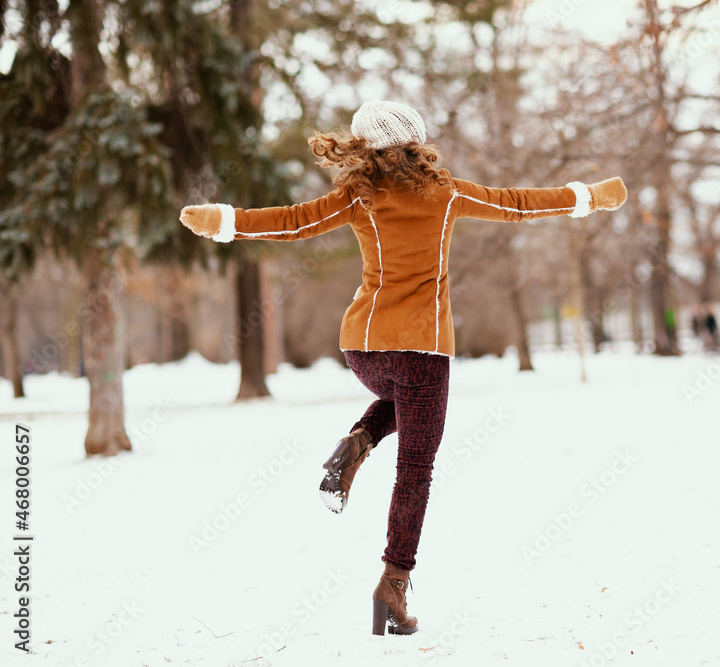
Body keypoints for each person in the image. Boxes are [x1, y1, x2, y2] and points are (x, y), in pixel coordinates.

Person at [177, 100, 628, 636]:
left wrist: (225, 220)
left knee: (398, 401)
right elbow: (517, 204)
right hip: (424, 349)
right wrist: (589, 197)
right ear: (417, 140)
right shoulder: (448, 192)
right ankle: (392, 588)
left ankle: (358, 442)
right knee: (415, 472)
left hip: (363, 348)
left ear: (365, 146)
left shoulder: (357, 197)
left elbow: (293, 223)